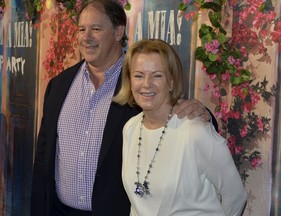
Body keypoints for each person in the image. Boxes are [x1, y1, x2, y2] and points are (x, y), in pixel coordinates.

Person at [30, 1, 217, 215]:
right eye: (82, 29)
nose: (86, 37)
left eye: (96, 29)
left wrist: (203, 115)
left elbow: (178, 116)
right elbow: (43, 158)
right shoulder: (59, 85)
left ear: (119, 32)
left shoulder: (140, 84)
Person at [113, 39, 247, 216]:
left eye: (157, 75)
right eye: (138, 75)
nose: (146, 84)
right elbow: (138, 206)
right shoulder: (130, 129)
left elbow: (235, 196)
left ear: (171, 82)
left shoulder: (195, 132)